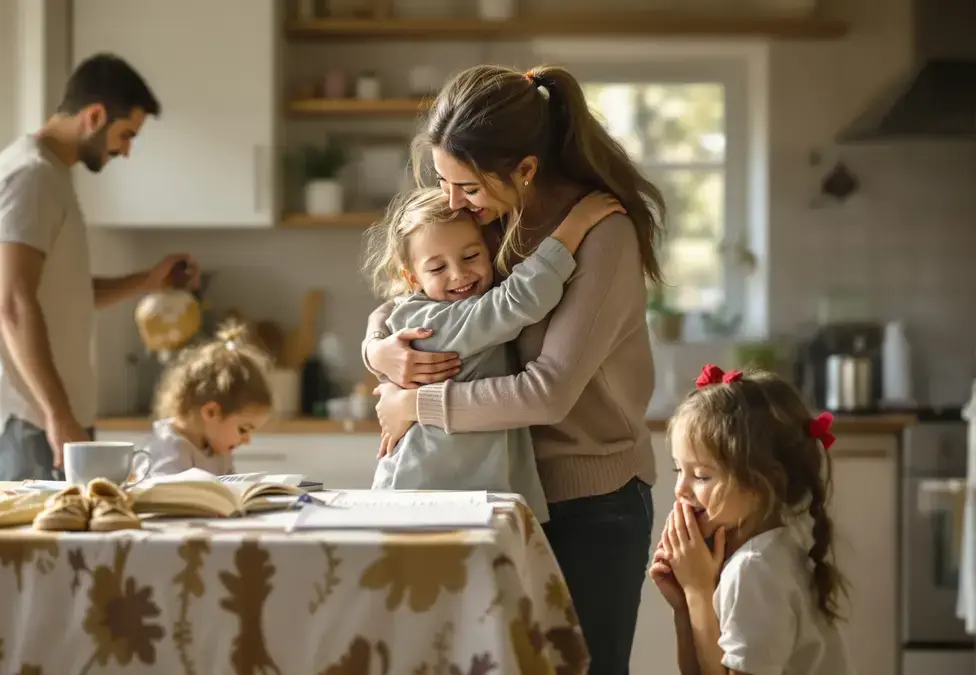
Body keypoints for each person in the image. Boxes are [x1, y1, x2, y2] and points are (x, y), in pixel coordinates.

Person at [361, 64, 666, 675]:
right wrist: (379, 350)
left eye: (466, 188)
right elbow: (414, 299)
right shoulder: (493, 217)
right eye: (447, 184)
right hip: (506, 493)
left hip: (591, 501)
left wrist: (411, 404)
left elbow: (547, 393)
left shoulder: (602, 236)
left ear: (525, 169)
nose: (455, 204)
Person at [0, 53, 201, 481]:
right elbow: (13, 303)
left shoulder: (48, 175)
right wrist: (58, 414)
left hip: (42, 417)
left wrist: (147, 282)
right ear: (94, 116)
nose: (125, 151)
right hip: (29, 420)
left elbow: (62, 292)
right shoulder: (31, 177)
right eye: (125, 134)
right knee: (39, 549)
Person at [363, 186, 623, 522]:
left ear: (489, 251)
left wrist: (372, 348)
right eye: (438, 268)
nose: (458, 274)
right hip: (425, 495)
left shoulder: (451, 308)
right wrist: (577, 223)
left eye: (470, 257)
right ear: (413, 279)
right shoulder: (429, 322)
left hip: (456, 494)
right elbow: (519, 300)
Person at [651, 365, 854, 675]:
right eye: (680, 471)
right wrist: (685, 605)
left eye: (702, 475)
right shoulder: (757, 555)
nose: (681, 490)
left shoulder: (755, 570)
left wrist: (698, 591)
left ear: (761, 485)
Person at [145, 322, 273, 477]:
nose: (247, 440)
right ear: (211, 412)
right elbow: (163, 496)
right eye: (243, 429)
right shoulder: (169, 448)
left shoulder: (218, 445)